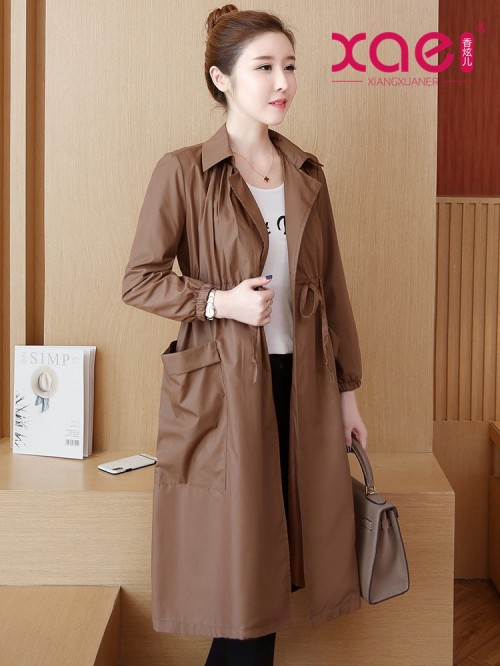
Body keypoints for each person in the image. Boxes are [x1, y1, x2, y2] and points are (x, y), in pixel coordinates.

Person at [122, 5, 368, 665]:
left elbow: (333, 288)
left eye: (289, 66)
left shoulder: (306, 173)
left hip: (304, 384)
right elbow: (140, 280)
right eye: (264, 67)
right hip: (226, 389)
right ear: (221, 78)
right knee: (245, 568)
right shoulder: (184, 171)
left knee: (273, 564)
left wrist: (347, 395)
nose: (283, 81)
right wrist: (219, 302)